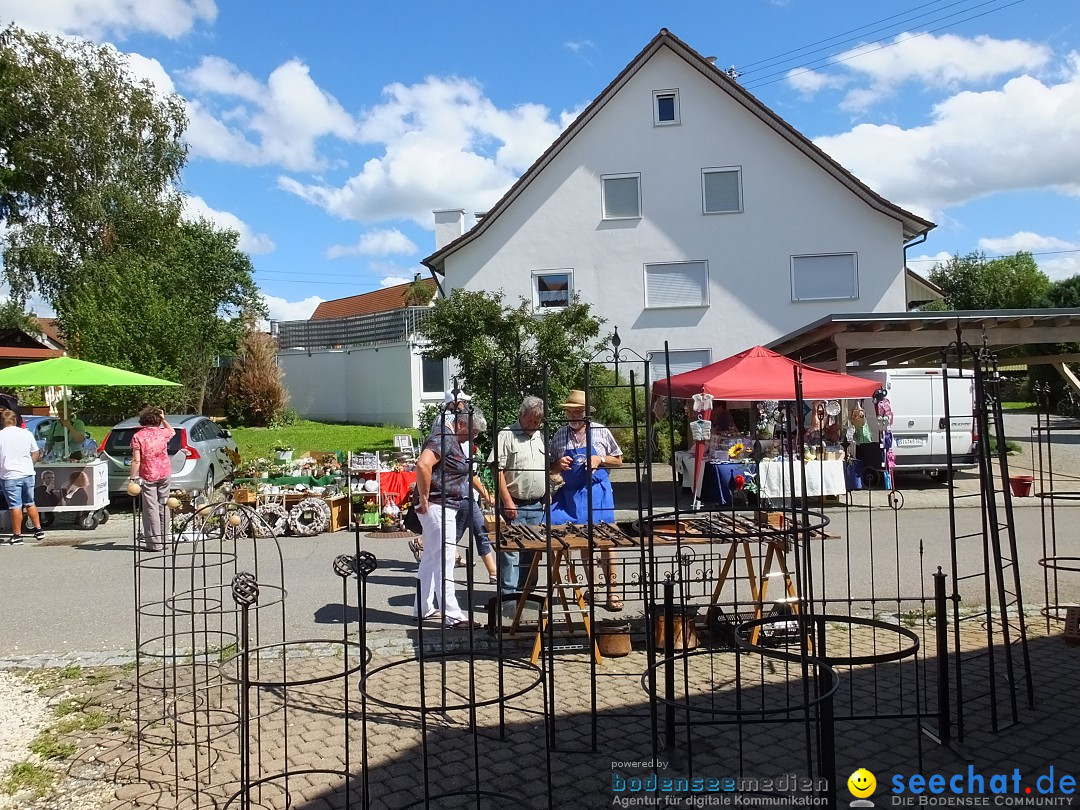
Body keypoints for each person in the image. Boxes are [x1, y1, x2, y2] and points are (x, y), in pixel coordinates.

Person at [548, 390, 624, 611]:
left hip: (598, 492)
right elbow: (552, 467)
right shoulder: (560, 435)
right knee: (583, 541)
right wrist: (558, 464)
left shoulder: (600, 431)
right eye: (569, 412)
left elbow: (618, 461)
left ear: (586, 413)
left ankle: (613, 591)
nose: (573, 416)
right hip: (572, 494)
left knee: (607, 541)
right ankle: (593, 587)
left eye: (578, 412)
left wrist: (600, 458)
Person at [413, 406, 487, 629]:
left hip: (441, 505)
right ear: (462, 424)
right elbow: (423, 464)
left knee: (431, 558)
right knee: (445, 559)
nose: (472, 437)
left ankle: (423, 608)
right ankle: (453, 615)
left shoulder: (447, 437)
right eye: (472, 432)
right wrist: (424, 496)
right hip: (439, 505)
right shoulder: (444, 438)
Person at [490, 396, 547, 595]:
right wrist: (507, 501)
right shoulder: (506, 434)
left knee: (531, 554)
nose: (534, 424)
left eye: (537, 421)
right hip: (514, 504)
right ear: (521, 415)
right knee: (510, 554)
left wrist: (547, 493)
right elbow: (497, 470)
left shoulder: (541, 435)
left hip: (536, 507)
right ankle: (508, 601)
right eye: (531, 420)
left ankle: (526, 598)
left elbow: (546, 468)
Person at [130, 407, 176, 552]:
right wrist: (163, 419)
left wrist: (132, 478)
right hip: (165, 472)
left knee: (151, 508)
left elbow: (136, 460)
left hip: (148, 474)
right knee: (163, 504)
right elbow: (173, 431)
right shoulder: (162, 433)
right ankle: (165, 539)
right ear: (156, 419)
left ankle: (154, 543)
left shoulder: (138, 436)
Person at [0, 409, 46, 545]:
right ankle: (38, 529)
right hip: (27, 473)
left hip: (9, 474)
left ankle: (17, 535)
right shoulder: (26, 434)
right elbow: (35, 452)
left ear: (2, 421)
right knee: (30, 502)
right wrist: (30, 464)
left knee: (15, 506)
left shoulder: (1, 435)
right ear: (15, 420)